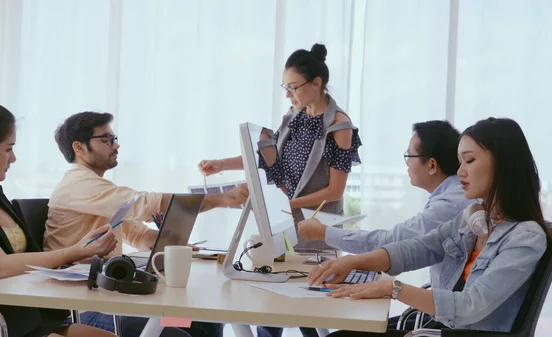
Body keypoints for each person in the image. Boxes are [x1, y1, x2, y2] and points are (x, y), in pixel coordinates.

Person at [308, 118, 552, 335]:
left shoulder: (526, 237)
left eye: (469, 160)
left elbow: (470, 306)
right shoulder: (473, 218)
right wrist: (351, 262)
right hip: (438, 326)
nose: (460, 171)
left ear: (502, 164)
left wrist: (394, 289)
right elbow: (417, 248)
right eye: (459, 161)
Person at [200, 43, 362, 337]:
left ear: (317, 83)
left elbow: (335, 191)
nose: (288, 95)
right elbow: (268, 155)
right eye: (285, 88)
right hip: (287, 222)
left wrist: (288, 202)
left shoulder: (339, 126)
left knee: (306, 311)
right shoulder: (295, 115)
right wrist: (221, 163)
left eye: (293, 87)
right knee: (273, 304)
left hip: (317, 229)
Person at [46, 112, 248, 337]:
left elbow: (137, 235)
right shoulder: (78, 185)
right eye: (106, 140)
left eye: (114, 138)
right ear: (79, 147)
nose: (116, 145)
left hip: (107, 299)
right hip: (83, 310)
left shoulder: (98, 189)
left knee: (205, 323)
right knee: (177, 334)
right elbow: (147, 203)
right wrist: (224, 198)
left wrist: (172, 245)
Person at [297, 120, 474, 329]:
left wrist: (326, 233)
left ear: (432, 165)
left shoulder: (450, 205)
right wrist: (354, 263)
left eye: (409, 156)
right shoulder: (450, 197)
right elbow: (408, 248)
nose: (407, 164)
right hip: (440, 312)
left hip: (447, 321)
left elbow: (392, 241)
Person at [0, 105, 118, 337]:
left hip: (27, 317)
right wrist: (73, 252)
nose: (13, 158)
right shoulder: (79, 184)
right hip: (8, 324)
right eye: (8, 149)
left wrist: (80, 254)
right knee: (177, 328)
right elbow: (2, 267)